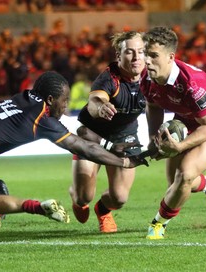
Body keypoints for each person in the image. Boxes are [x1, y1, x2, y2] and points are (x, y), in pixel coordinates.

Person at [0, 71, 148, 189]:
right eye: (65, 101)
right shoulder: (42, 118)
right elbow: (83, 148)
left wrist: (110, 145)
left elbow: (80, 137)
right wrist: (125, 162)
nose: (65, 107)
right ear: (51, 99)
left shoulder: (25, 97)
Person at [140, 26, 206, 239]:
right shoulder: (147, 77)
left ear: (170, 57)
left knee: (184, 175)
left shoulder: (192, 84)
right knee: (175, 184)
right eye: (145, 54)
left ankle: (158, 224)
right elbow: (153, 105)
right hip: (187, 119)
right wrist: (152, 138)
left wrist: (180, 146)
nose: (147, 61)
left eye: (154, 56)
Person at [69, 31, 146, 233]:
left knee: (119, 198)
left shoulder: (152, 76)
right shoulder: (109, 78)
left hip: (125, 138)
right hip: (92, 137)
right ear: (119, 56)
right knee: (82, 196)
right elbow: (94, 100)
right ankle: (77, 196)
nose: (137, 57)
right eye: (130, 52)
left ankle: (103, 210)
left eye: (141, 51)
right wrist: (101, 107)